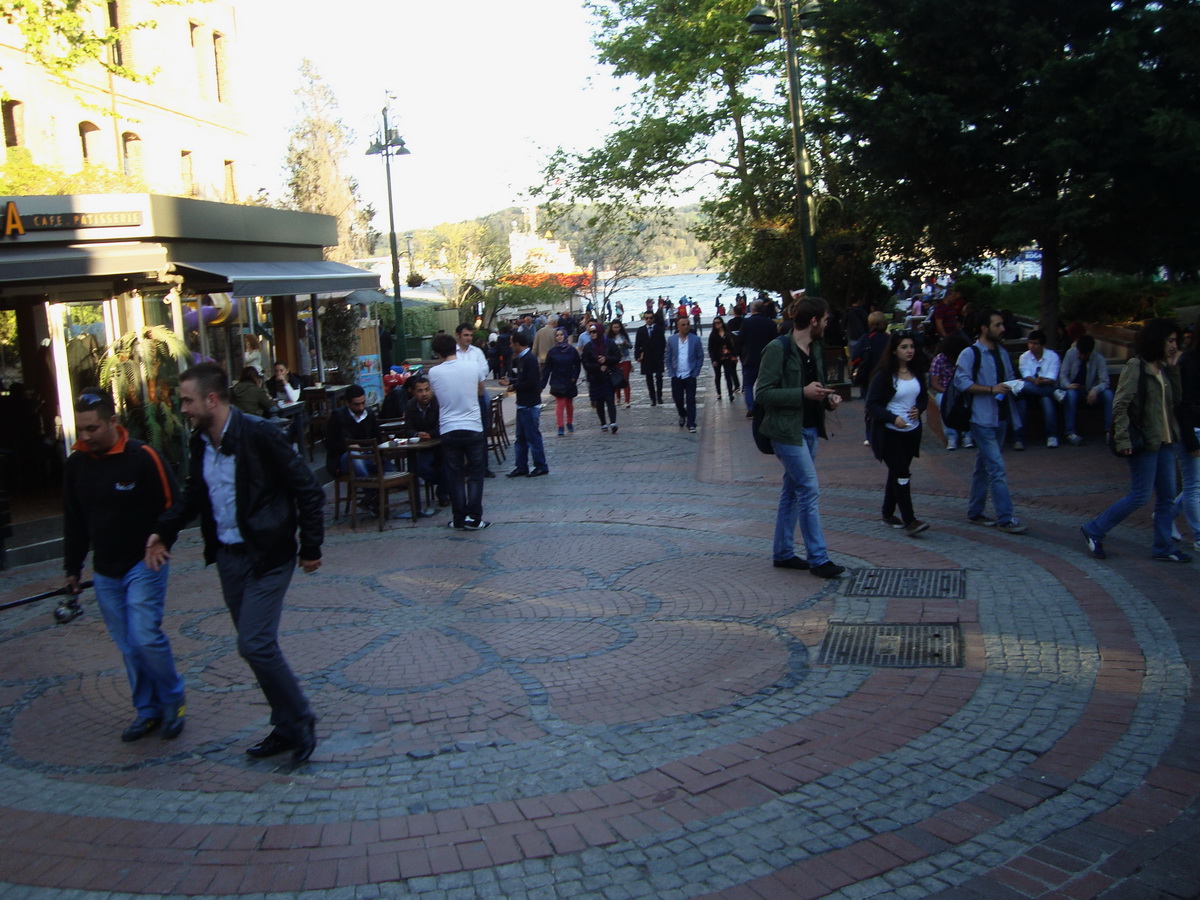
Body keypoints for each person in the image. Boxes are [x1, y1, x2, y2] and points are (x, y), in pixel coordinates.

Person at [147, 363, 324, 763]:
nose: (184, 408)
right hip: (229, 558)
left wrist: (310, 546)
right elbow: (194, 495)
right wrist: (164, 530)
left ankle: (300, 718)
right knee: (255, 647)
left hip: (268, 554)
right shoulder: (200, 442)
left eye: (188, 401)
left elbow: (308, 489)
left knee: (254, 643)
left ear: (212, 399)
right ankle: (285, 726)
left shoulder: (260, 434)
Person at [63, 388, 186, 743]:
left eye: (92, 429)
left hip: (143, 563)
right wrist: (73, 567)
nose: (85, 437)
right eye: (81, 430)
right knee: (128, 645)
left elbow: (174, 504)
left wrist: (162, 538)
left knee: (145, 636)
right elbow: (73, 520)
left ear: (113, 422)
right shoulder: (76, 465)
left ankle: (173, 700)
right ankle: (147, 711)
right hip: (105, 570)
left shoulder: (142, 456)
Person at [1081, 319, 1192, 563]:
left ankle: (1163, 547)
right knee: (1140, 495)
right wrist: (1122, 439)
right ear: (1157, 340)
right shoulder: (1136, 366)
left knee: (1166, 496)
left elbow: (1176, 400)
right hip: (1144, 441)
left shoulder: (1163, 368)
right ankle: (1094, 528)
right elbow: (1120, 404)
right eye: (1170, 340)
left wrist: (1173, 368)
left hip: (1165, 441)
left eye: (1176, 341)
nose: (1175, 345)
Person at [756, 296, 846, 579]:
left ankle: (782, 552)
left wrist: (827, 397)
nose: (828, 323)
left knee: (793, 491)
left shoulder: (815, 347)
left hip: (808, 428)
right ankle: (818, 559)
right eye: (826, 318)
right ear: (814, 321)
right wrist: (801, 393)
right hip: (785, 431)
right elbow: (763, 394)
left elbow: (814, 386)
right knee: (808, 489)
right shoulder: (777, 348)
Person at [954, 308, 1027, 534]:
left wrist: (1013, 385)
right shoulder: (970, 354)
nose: (1002, 329)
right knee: (996, 467)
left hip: (1002, 416)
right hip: (982, 418)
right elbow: (961, 382)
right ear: (984, 328)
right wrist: (990, 389)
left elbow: (1007, 377)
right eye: (997, 325)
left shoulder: (1002, 352)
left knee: (984, 467)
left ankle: (975, 511)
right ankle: (1005, 517)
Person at [865, 333, 930, 536]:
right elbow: (872, 404)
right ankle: (910, 520)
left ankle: (887, 512)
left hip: (911, 431)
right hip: (889, 433)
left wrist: (919, 408)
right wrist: (892, 418)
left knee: (898, 471)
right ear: (894, 350)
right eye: (904, 347)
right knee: (902, 473)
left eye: (911, 346)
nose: (909, 350)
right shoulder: (884, 376)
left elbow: (923, 398)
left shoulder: (916, 371)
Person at [428, 333, 490, 530]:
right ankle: (474, 517)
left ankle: (458, 518)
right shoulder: (472, 366)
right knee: (475, 474)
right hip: (472, 425)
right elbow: (481, 391)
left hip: (448, 428)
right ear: (455, 347)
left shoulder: (434, 372)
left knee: (455, 476)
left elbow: (436, 396)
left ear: (437, 353)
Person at [501, 330, 549, 478]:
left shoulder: (529, 359)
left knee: (533, 437)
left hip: (529, 404)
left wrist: (515, 386)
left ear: (517, 343)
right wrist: (512, 382)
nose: (510, 346)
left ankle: (540, 465)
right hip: (522, 404)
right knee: (520, 438)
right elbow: (524, 380)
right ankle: (521, 466)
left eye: (511, 343)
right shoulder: (523, 358)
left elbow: (532, 383)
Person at [455, 323, 495, 478]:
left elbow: (483, 370)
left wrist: (468, 373)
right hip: (460, 394)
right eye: (466, 335)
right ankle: (465, 464)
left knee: (482, 428)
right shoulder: (453, 352)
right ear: (458, 335)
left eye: (470, 335)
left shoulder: (476, 352)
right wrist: (471, 371)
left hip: (477, 391)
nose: (469, 338)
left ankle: (483, 466)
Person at [402, 374, 447, 507]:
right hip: (422, 447)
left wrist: (429, 434)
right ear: (414, 392)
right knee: (421, 467)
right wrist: (417, 434)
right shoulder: (410, 406)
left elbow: (442, 426)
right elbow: (407, 429)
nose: (424, 394)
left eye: (427, 389)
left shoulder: (438, 403)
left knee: (449, 464)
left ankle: (443, 493)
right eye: (420, 391)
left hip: (440, 445)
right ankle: (445, 484)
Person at [1059, 334, 1113, 446]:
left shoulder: (1098, 358)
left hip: (1091, 390)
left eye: (1085, 354)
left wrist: (1095, 390)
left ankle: (1110, 431)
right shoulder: (1070, 354)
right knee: (1071, 395)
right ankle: (1070, 433)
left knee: (1109, 395)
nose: (1082, 356)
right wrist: (1068, 385)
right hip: (1074, 390)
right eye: (1080, 353)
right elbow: (1063, 374)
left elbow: (1105, 381)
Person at [1013, 329, 1062, 449]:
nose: (1031, 346)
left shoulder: (1052, 357)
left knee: (1044, 399)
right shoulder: (1024, 357)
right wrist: (1036, 381)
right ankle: (1019, 439)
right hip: (1031, 390)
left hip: (1043, 388)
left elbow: (1052, 378)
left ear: (1042, 345)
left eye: (1035, 343)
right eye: (1030, 343)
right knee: (1022, 399)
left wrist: (1042, 381)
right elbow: (1026, 375)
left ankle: (1051, 436)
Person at [1174, 327, 1200, 551]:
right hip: (1192, 429)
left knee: (1195, 483)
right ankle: (1199, 535)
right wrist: (1190, 438)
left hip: (1194, 426)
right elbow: (1183, 403)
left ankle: (1166, 515)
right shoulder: (1190, 362)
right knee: (1194, 484)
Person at [929, 334, 974, 450]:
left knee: (969, 403)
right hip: (945, 390)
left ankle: (967, 434)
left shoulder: (967, 359)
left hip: (965, 389)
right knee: (942, 401)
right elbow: (934, 383)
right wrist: (949, 393)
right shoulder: (939, 359)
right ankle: (951, 436)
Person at [739, 299, 781, 417]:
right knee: (767, 384)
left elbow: (740, 339)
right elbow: (775, 340)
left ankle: (751, 407)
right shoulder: (770, 323)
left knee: (748, 384)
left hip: (750, 357)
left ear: (752, 309)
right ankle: (767, 405)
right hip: (767, 358)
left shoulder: (746, 323)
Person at [581, 321, 622, 432]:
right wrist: (598, 366)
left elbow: (618, 356)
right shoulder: (588, 347)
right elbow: (585, 363)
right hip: (595, 378)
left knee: (609, 399)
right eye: (590, 332)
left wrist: (606, 360)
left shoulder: (609, 343)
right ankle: (603, 423)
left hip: (608, 376)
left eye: (594, 332)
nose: (592, 334)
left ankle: (613, 422)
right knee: (599, 401)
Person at [666, 316, 705, 432]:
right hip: (676, 375)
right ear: (678, 327)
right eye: (683, 325)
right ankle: (682, 414)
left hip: (690, 375)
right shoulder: (672, 340)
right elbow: (667, 356)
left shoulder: (695, 339)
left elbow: (700, 356)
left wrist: (696, 371)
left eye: (688, 324)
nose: (686, 327)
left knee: (691, 400)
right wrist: (671, 371)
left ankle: (691, 423)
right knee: (678, 399)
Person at [541, 327, 581, 436]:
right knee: (560, 402)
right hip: (557, 379)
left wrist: (574, 377)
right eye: (557, 335)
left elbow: (577, 364)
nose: (559, 337)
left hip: (569, 379)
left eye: (561, 335)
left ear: (565, 336)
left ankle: (569, 422)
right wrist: (542, 384)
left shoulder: (571, 350)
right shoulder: (552, 351)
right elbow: (547, 368)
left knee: (569, 402)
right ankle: (560, 425)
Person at [634, 311, 666, 406]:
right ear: (644, 319)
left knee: (659, 376)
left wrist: (662, 354)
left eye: (651, 318)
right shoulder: (641, 330)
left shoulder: (659, 329)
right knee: (649, 378)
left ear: (654, 318)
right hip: (646, 357)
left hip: (657, 357)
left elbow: (663, 343)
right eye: (647, 318)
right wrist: (637, 356)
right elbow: (637, 344)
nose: (649, 320)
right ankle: (653, 398)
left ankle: (659, 396)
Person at [708, 316, 740, 401]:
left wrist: (734, 356)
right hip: (717, 358)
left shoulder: (727, 333)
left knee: (728, 375)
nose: (716, 324)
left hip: (727, 357)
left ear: (722, 323)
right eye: (715, 323)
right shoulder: (713, 335)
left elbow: (732, 346)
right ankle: (719, 393)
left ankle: (730, 393)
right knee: (717, 375)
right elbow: (710, 348)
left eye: (718, 322)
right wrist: (713, 360)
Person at [607, 320, 634, 408]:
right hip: (615, 360)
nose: (616, 329)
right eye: (614, 327)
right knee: (616, 379)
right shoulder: (609, 338)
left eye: (617, 327)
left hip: (625, 359)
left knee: (625, 379)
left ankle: (627, 400)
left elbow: (630, 346)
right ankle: (618, 398)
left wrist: (626, 343)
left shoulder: (624, 336)